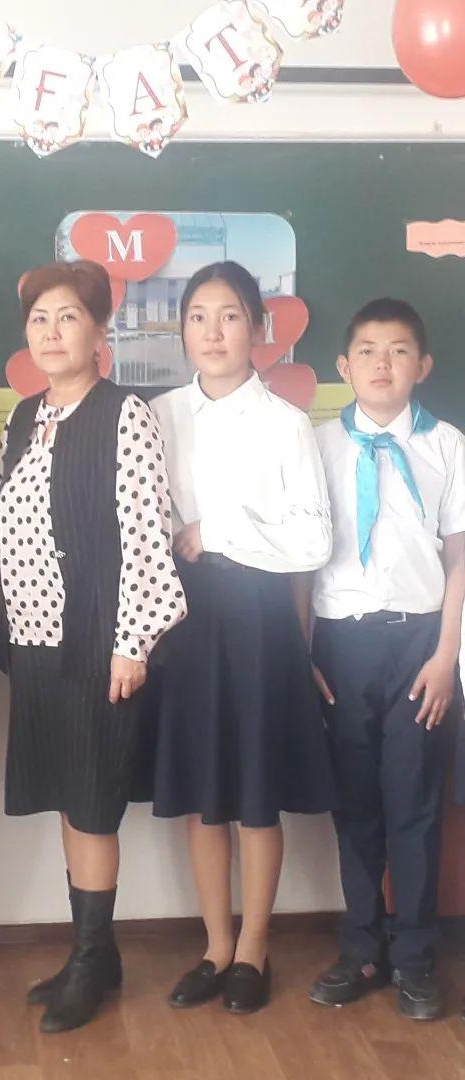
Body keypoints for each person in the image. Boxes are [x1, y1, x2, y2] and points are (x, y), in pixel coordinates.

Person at [0, 260, 185, 1033]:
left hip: (100, 642)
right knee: (67, 798)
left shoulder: (123, 414)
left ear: (100, 331)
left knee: (93, 804)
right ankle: (93, 955)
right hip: (36, 644)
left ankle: (90, 959)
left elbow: (147, 537)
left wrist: (131, 643)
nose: (51, 332)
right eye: (39, 318)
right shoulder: (22, 417)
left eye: (68, 317)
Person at [144, 261, 335, 1014]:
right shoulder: (156, 415)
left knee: (256, 795)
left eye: (229, 316)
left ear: (258, 328)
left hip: (258, 619)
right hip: (182, 619)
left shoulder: (286, 423)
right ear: (182, 329)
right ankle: (214, 947)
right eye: (198, 316)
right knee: (203, 795)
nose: (213, 332)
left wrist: (216, 530)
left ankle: (254, 947)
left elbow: (313, 541)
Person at [306, 299, 465, 1021]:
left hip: (420, 647)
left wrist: (446, 654)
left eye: (399, 350)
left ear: (422, 366)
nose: (382, 363)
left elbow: (459, 558)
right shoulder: (316, 445)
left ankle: (416, 957)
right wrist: (303, 650)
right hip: (340, 645)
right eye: (367, 350)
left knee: (416, 804)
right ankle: (362, 947)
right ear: (344, 366)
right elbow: (300, 562)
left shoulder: (448, 446)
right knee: (356, 805)